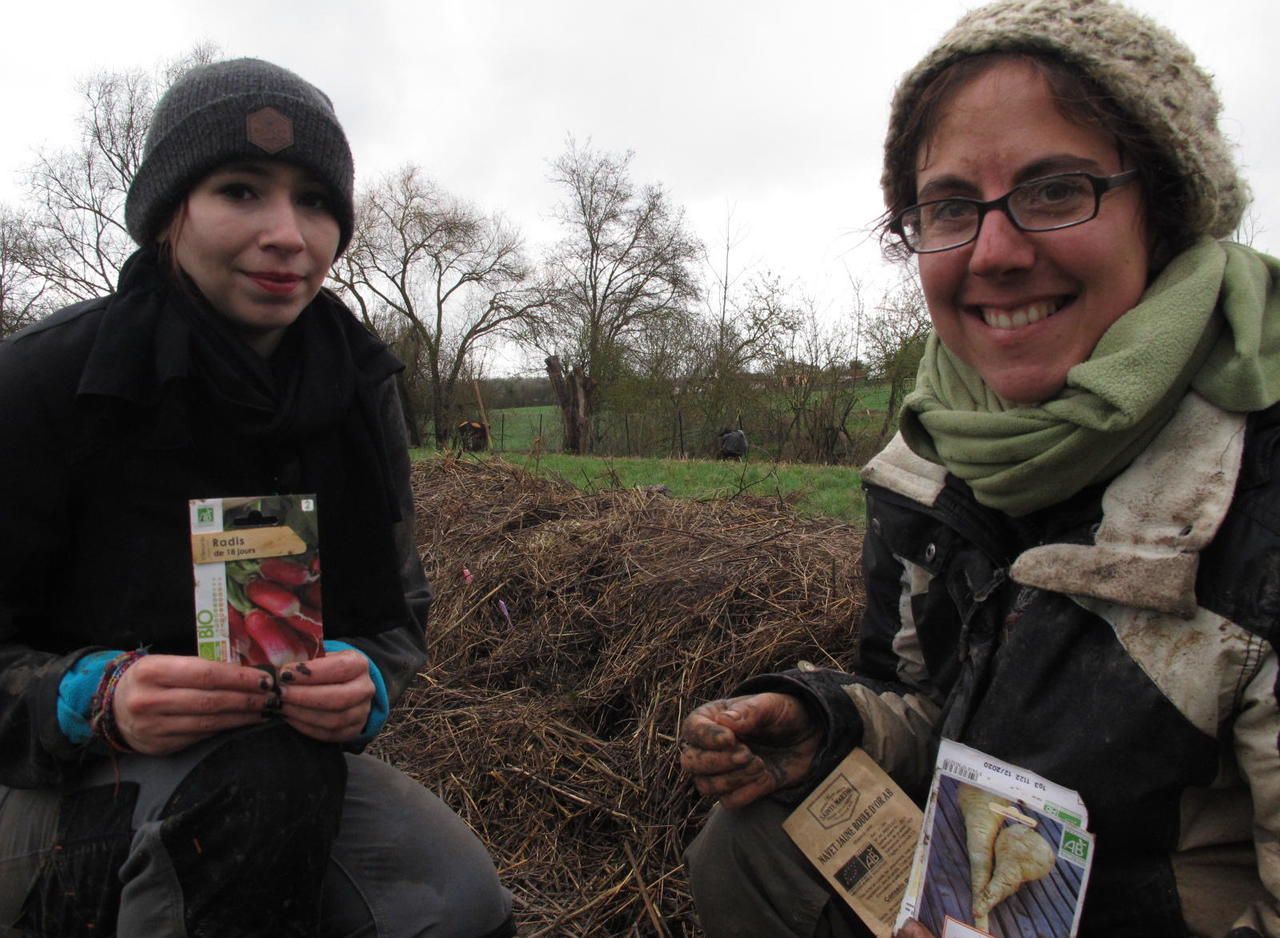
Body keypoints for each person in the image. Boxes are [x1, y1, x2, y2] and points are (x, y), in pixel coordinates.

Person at [678, 1, 1279, 936]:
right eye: (951, 207)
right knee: (754, 843)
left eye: (1055, 189)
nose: (995, 254)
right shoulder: (929, 457)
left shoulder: (1259, 474)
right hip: (995, 888)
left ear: (1164, 209)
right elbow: (945, 703)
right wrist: (834, 723)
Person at [0, 58, 514, 937]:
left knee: (454, 901)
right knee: (249, 800)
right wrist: (95, 697)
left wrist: (365, 683)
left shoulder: (358, 388)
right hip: (49, 778)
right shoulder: (41, 383)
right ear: (170, 215)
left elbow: (399, 615)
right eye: (242, 191)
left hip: (285, 764)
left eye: (316, 202)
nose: (290, 234)